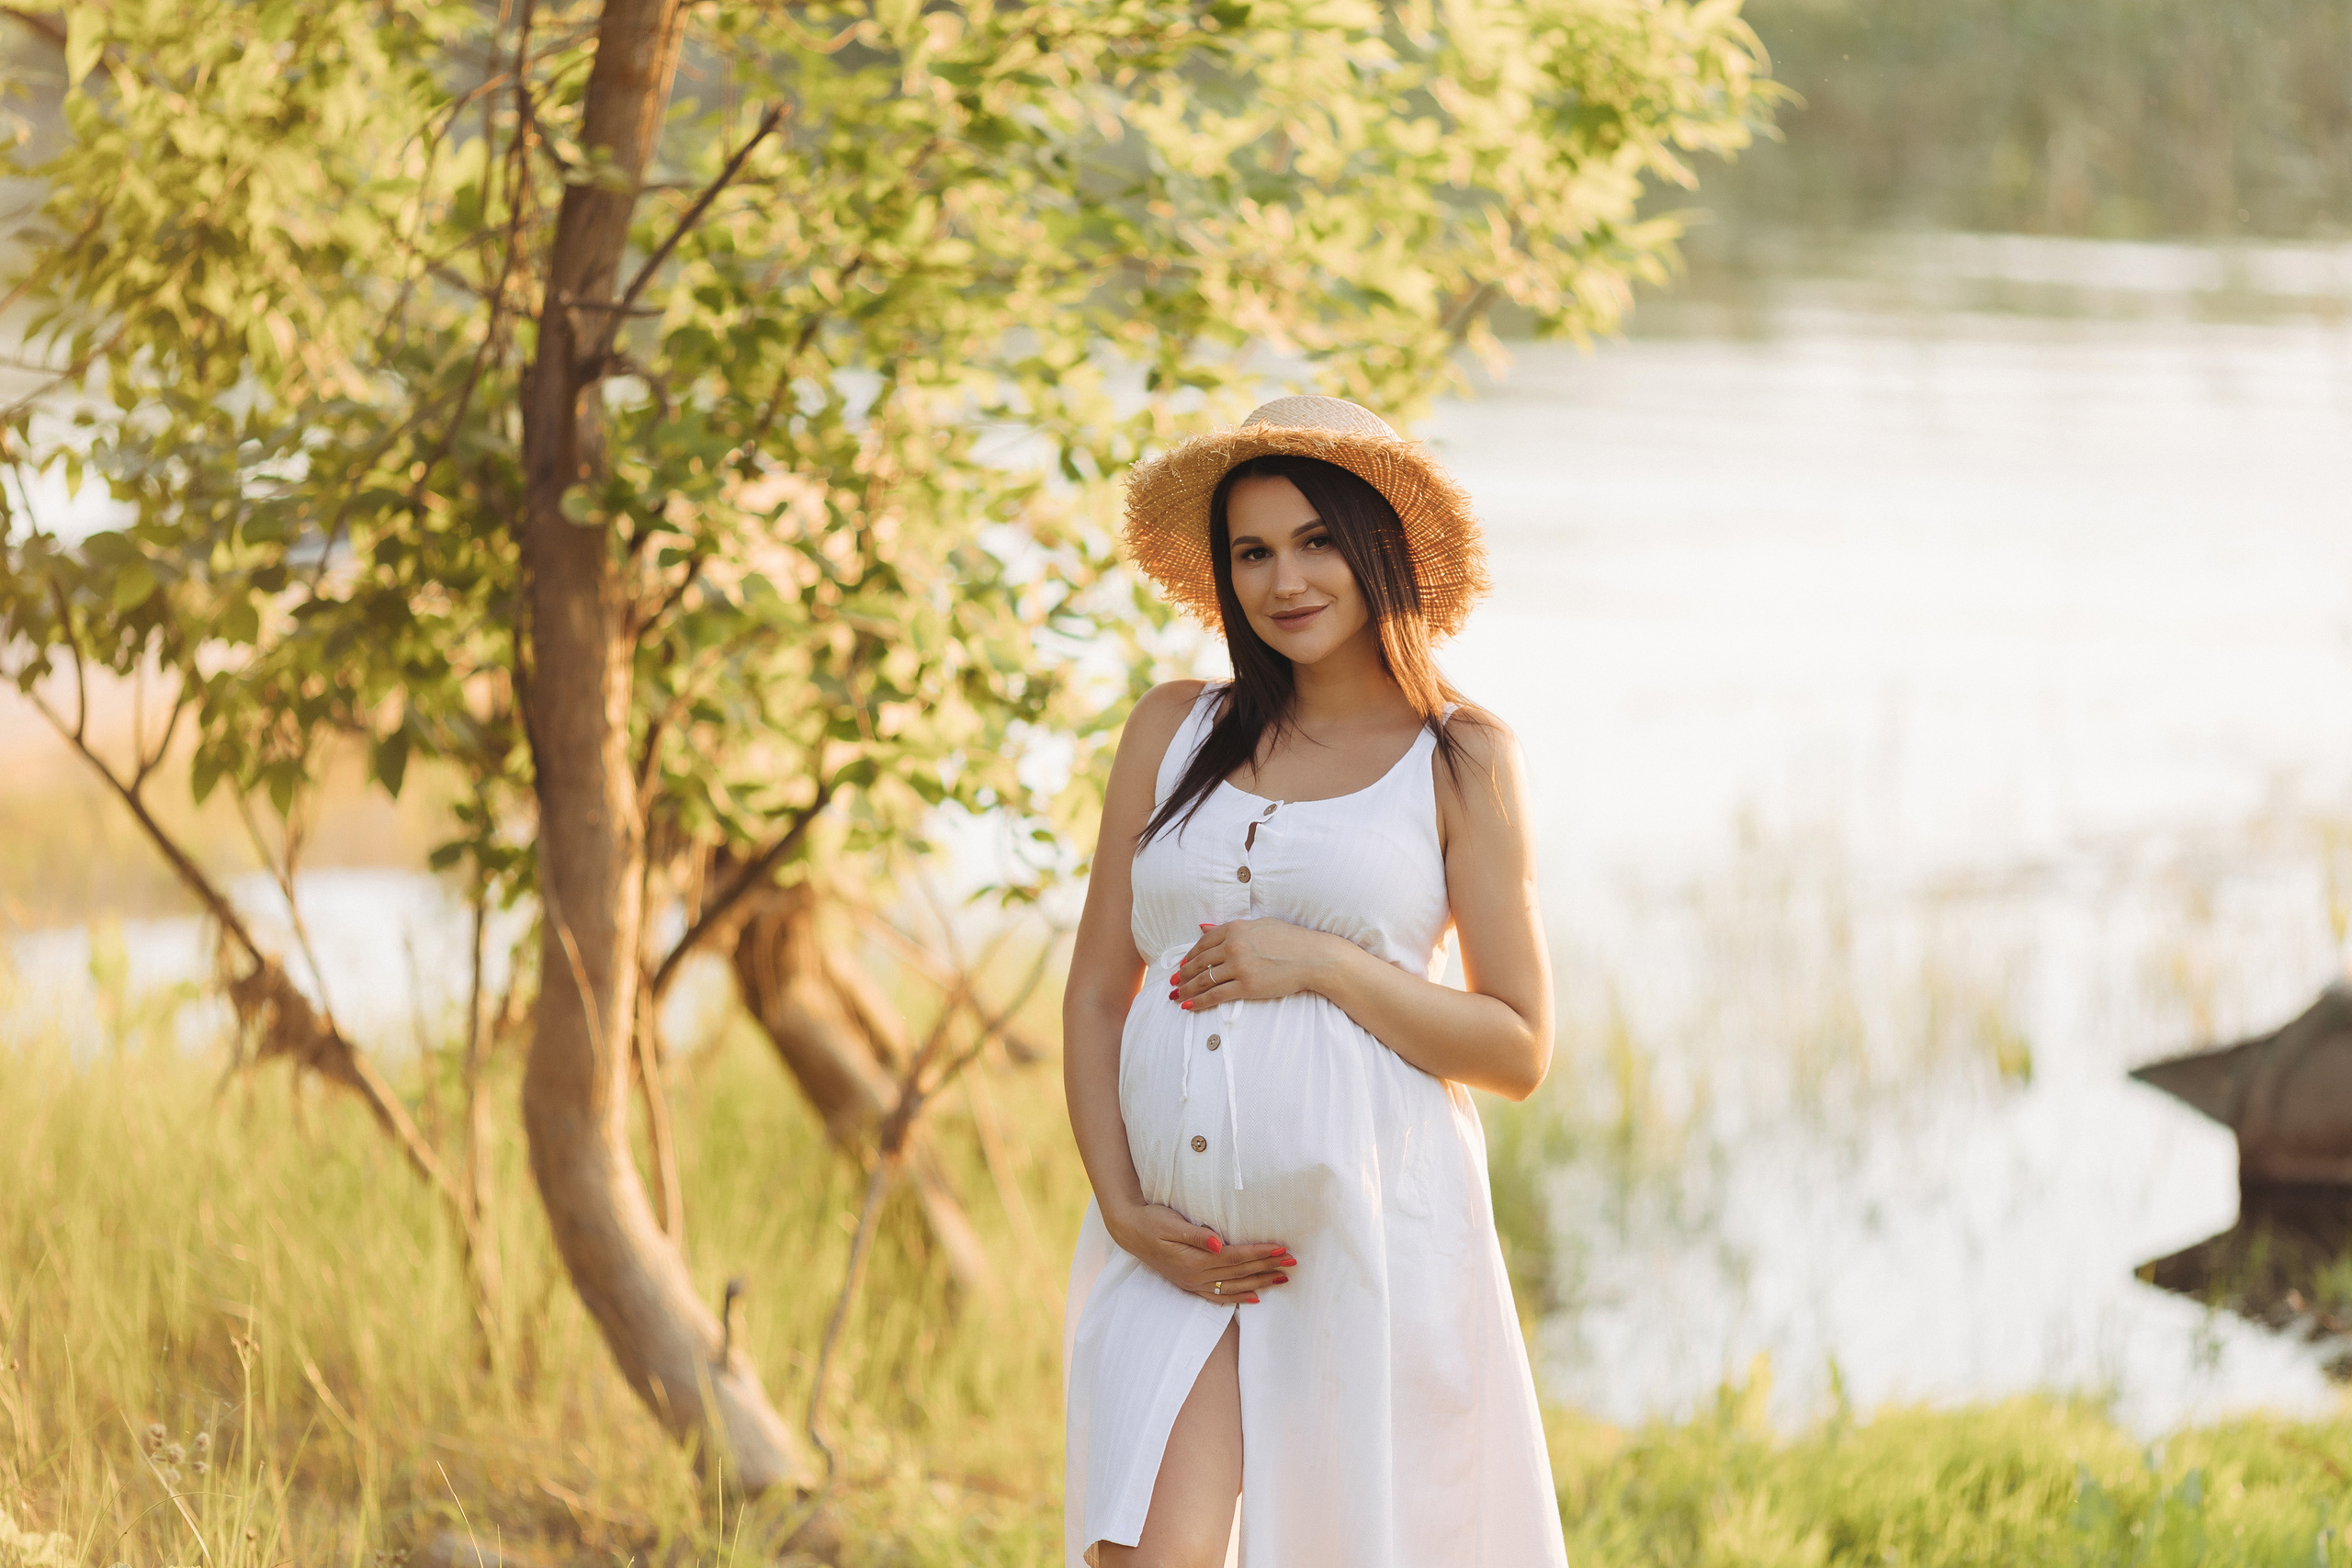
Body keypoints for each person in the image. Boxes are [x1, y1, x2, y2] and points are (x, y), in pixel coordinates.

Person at [1061, 395, 1569, 1568]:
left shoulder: (1461, 759)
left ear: (1377, 544)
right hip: (1175, 1253)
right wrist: (1126, 1209)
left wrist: (1327, 964)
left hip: (1365, 1245)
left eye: (1316, 541)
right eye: (1252, 551)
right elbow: (1097, 990)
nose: (1283, 580)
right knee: (1145, 1556)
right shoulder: (1171, 733)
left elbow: (1517, 1046)